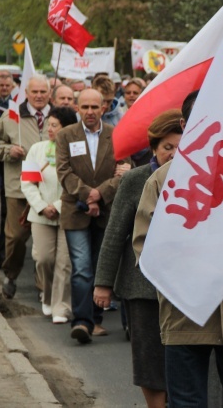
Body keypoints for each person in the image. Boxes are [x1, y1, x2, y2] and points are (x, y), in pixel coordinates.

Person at [132, 91, 223, 407]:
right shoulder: (161, 182)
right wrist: (186, 287)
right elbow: (145, 248)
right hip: (184, 317)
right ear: (185, 124)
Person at [94, 109, 182, 407]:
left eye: (182, 146)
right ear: (154, 148)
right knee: (149, 361)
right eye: (168, 147)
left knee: (182, 361)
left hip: (183, 289)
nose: (174, 154)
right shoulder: (135, 179)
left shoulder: (199, 181)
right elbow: (115, 234)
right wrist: (103, 284)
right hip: (141, 287)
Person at [56, 88, 131, 344]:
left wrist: (101, 194)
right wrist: (89, 195)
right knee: (82, 269)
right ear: (77, 108)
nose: (89, 112)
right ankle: (81, 322)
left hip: (107, 211)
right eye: (85, 107)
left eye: (94, 107)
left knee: (100, 268)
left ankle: (95, 319)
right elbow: (64, 173)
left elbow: (125, 172)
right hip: (75, 211)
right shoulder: (66, 135)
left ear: (103, 108)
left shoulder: (116, 135)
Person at [21, 106, 76, 323]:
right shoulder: (37, 149)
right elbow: (27, 182)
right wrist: (42, 206)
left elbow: (78, 182)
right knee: (44, 258)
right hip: (41, 214)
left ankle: (61, 307)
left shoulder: (76, 150)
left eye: (55, 125)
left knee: (64, 261)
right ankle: (47, 293)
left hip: (68, 213)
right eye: (49, 125)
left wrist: (59, 206)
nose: (49, 129)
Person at [0, 74, 51, 299]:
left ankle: (43, 286)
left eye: (43, 92)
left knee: (44, 240)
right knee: (17, 236)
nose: (39, 96)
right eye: (34, 92)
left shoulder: (59, 117)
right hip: (18, 187)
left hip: (49, 188)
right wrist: (9, 150)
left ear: (49, 94)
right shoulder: (11, 117)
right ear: (26, 93)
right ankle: (10, 275)